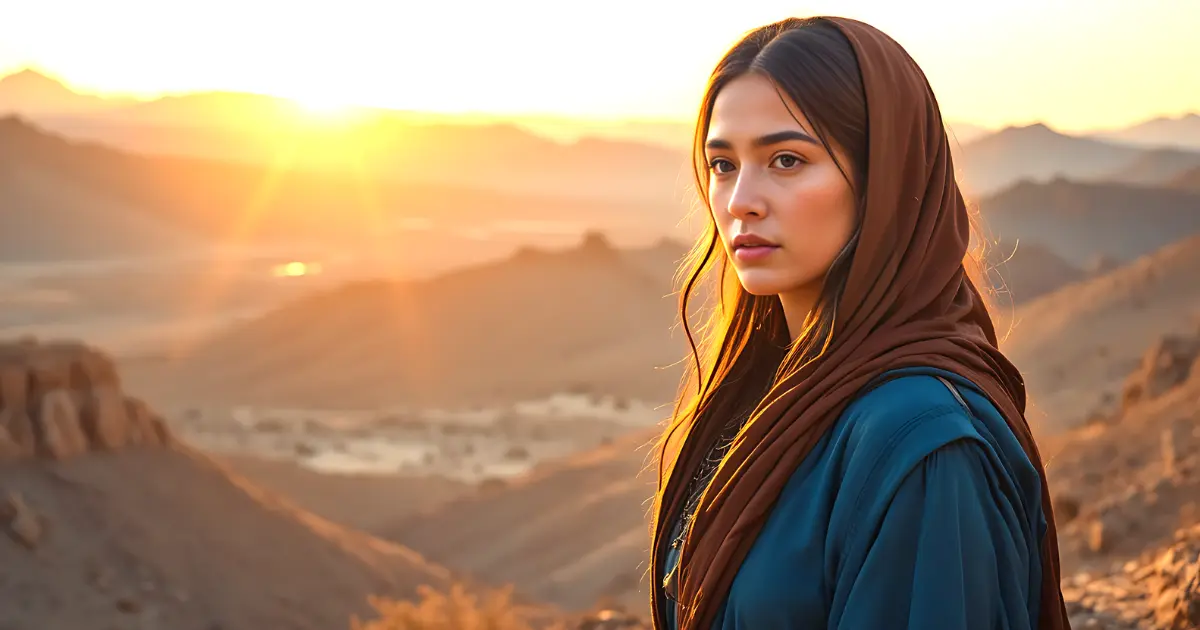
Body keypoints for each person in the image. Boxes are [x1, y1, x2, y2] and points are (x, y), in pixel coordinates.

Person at [648, 16, 1072, 630]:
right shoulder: (769, 395)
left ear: (885, 179)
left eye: (786, 160)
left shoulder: (922, 442)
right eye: (722, 164)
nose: (740, 201)